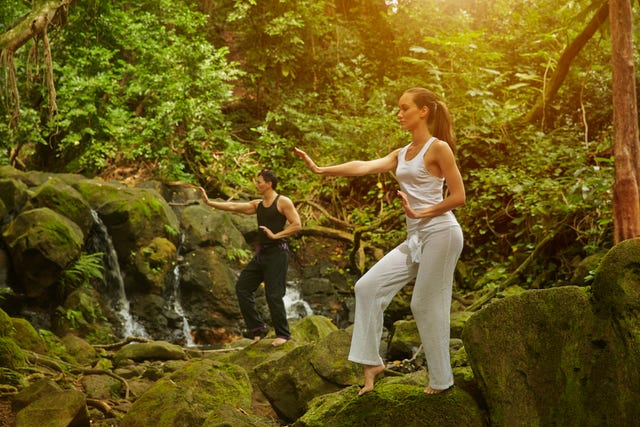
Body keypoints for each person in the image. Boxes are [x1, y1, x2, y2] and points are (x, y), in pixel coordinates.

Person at [294, 87, 465, 394]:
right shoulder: (401, 154)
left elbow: (459, 197)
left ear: (423, 111)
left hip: (442, 233)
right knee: (367, 287)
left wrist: (420, 210)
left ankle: (442, 380)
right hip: (416, 239)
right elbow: (364, 165)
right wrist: (322, 170)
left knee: (424, 303)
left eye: (404, 107)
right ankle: (371, 362)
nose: (399, 113)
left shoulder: (438, 148)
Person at [200, 169, 302, 347]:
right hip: (262, 254)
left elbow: (297, 225)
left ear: (269, 184)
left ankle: (283, 334)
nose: (256, 184)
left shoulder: (283, 202)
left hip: (278, 252)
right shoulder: (257, 204)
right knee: (242, 288)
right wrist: (210, 203)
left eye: (259, 182)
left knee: (273, 295)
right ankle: (258, 330)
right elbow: (233, 207)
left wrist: (276, 235)